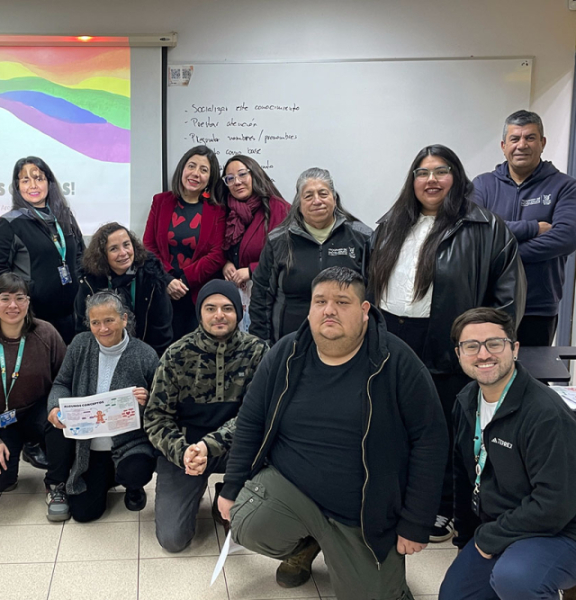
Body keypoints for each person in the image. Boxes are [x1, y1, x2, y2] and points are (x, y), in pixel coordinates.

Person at [218, 267, 448, 599]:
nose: (329, 310)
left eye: (342, 302)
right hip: (293, 487)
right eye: (320, 301)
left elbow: (431, 441)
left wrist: (416, 521)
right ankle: (307, 543)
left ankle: (337, 548)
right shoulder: (286, 352)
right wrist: (232, 485)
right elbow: (251, 419)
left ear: (365, 310)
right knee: (246, 522)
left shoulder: (397, 361)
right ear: (310, 309)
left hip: (363, 511)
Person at [369, 144, 525, 542]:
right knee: (394, 421)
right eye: (422, 173)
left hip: (446, 339)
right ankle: (402, 498)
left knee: (441, 426)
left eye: (441, 171)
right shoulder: (390, 225)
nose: (431, 180)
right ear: (412, 180)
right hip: (392, 336)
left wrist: (486, 344)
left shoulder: (487, 228)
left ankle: (442, 505)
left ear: (457, 176)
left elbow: (507, 297)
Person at [439, 308, 576, 600]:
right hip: (506, 524)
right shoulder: (466, 402)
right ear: (459, 354)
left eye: (494, 343)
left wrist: (489, 537)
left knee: (515, 579)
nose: (483, 354)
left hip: (562, 530)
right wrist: (466, 540)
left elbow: (555, 504)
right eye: (471, 346)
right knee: (455, 595)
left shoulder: (545, 414)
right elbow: (464, 480)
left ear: (514, 348)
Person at [144, 280, 268, 552]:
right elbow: (156, 417)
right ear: (200, 313)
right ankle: (197, 484)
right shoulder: (177, 354)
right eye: (210, 308)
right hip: (187, 449)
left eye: (227, 308)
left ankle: (229, 490)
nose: (219, 315)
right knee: (173, 540)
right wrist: (183, 453)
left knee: (258, 522)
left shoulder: (258, 352)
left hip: (239, 447)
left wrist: (209, 446)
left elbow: (256, 415)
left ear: (239, 312)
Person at [45, 291, 159, 522]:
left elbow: (163, 403)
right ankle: (107, 476)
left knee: (135, 471)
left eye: (109, 320)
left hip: (129, 442)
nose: (103, 328)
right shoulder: (80, 344)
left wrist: (148, 400)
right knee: (84, 513)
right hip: (89, 444)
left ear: (124, 319)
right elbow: (61, 383)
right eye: (95, 322)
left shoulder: (145, 354)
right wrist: (55, 407)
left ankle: (132, 486)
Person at [471, 110, 576, 346]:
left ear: (542, 143)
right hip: (487, 303)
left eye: (530, 138)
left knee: (532, 369)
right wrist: (531, 228)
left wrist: (499, 254)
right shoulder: (483, 185)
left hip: (538, 307)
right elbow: (475, 233)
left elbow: (566, 237)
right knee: (487, 367)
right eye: (515, 138)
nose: (522, 145)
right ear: (503, 146)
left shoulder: (565, 186)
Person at [0, 273, 67, 493]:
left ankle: (56, 482)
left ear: (28, 301)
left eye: (19, 298)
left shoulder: (46, 333)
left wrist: (57, 407)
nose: (13, 305)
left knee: (62, 424)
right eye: (5, 298)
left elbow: (64, 378)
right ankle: (14, 450)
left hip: (38, 412)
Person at [249, 167, 371, 344]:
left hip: (347, 342)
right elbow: (261, 296)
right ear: (299, 203)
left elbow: (373, 294)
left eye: (323, 194)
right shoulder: (278, 241)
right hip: (291, 343)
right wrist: (262, 345)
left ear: (334, 198)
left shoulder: (362, 237)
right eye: (308, 196)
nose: (317, 201)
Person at [0, 156, 84, 344]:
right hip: (34, 316)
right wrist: (24, 295)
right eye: (25, 180)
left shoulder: (65, 216)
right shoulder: (9, 223)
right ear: (17, 186)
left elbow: (80, 255)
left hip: (71, 315)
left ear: (49, 183)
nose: (33, 185)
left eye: (39, 178)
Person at [143, 145, 227, 340]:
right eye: (191, 166)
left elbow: (217, 254)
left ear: (210, 178)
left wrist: (184, 281)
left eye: (203, 170)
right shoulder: (161, 202)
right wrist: (167, 279)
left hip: (198, 297)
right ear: (182, 168)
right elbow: (148, 246)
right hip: (162, 291)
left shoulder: (218, 210)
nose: (196, 173)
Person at [76, 222, 173, 355]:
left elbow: (161, 330)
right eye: (113, 249)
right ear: (102, 255)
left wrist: (151, 361)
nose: (123, 253)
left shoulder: (152, 277)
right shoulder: (90, 281)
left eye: (126, 245)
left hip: (146, 353)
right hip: (102, 353)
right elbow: (83, 328)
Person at [220, 155, 290, 293]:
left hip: (269, 294)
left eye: (242, 174)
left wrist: (252, 270)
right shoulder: (225, 210)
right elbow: (215, 248)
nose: (237, 182)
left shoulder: (279, 209)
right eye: (230, 178)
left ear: (254, 175)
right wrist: (225, 264)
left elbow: (289, 255)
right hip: (235, 295)